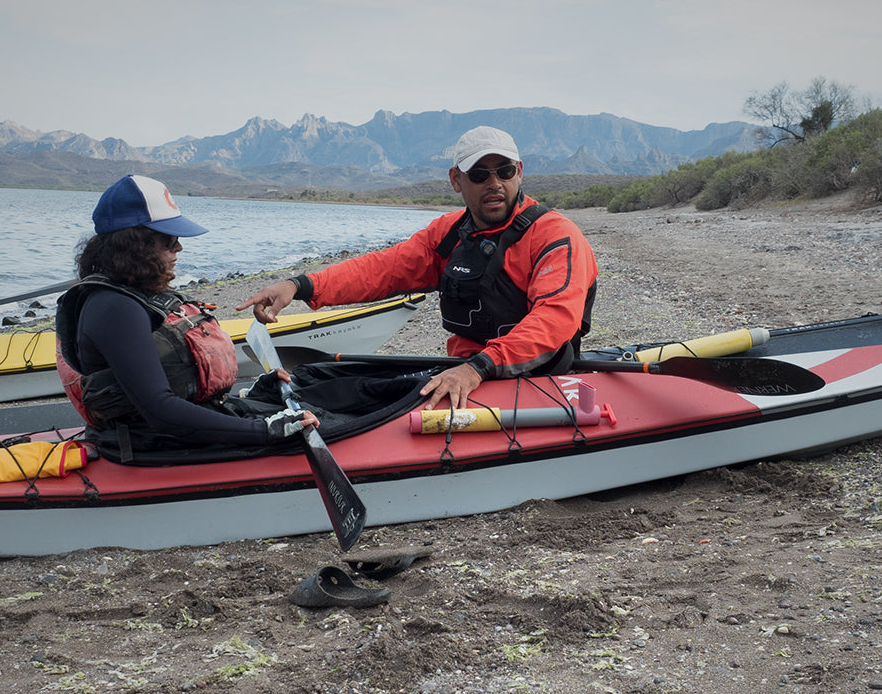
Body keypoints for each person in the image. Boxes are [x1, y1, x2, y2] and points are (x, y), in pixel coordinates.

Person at [238, 126, 598, 411]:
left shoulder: (556, 236)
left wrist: (479, 368)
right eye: (479, 175)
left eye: (504, 171)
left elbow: (555, 319)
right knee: (322, 382)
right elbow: (381, 270)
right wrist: (299, 285)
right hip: (465, 370)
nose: (494, 184)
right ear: (456, 180)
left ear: (519, 173)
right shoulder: (447, 235)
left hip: (533, 374)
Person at [55, 174, 318, 456]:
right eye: (169, 239)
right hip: (154, 444)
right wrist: (266, 430)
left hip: (171, 433)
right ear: (134, 244)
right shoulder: (114, 308)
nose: (179, 247)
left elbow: (170, 383)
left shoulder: (134, 295)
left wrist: (254, 392)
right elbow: (161, 411)